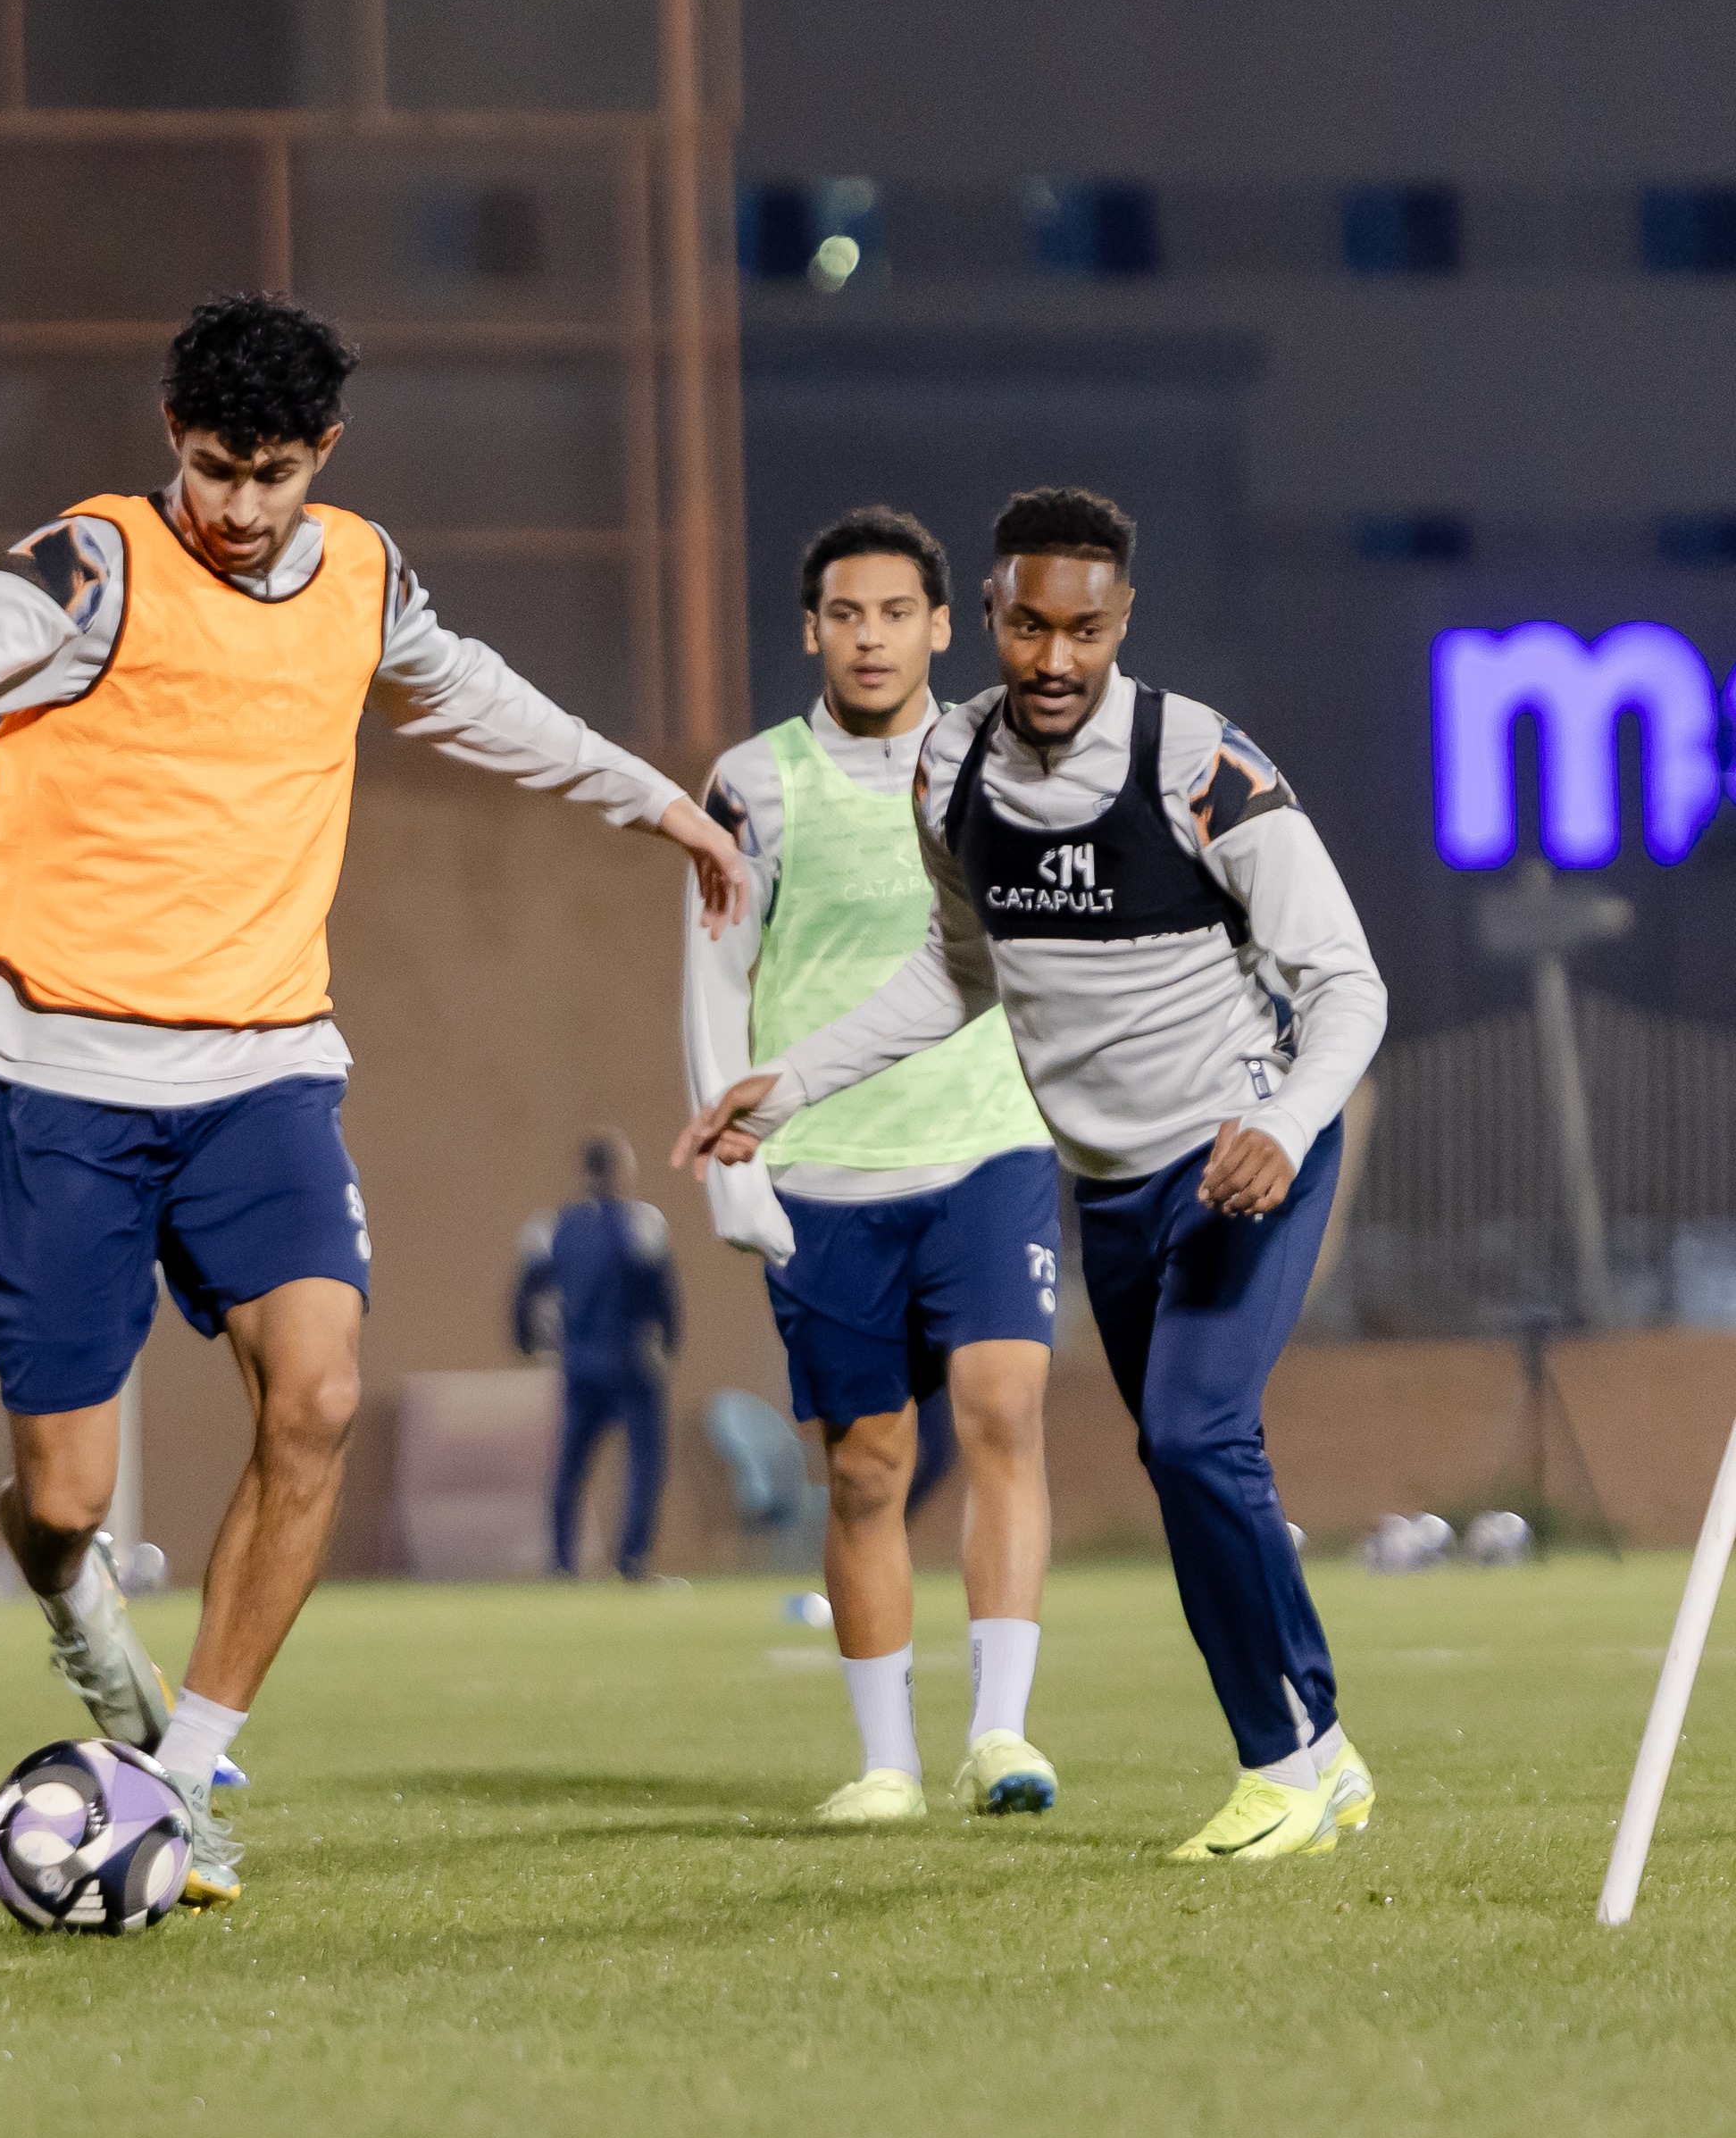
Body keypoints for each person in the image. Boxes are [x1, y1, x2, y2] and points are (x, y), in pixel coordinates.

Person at [0, 293, 750, 1904]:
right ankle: (84, 1630)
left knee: (311, 1398)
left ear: (324, 454)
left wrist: (660, 803)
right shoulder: (88, 569)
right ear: (168, 433)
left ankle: (173, 1779)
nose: (236, 509)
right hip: (59, 1077)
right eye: (210, 467)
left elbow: (480, 699)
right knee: (60, 1503)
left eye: (270, 475)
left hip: (263, 1067)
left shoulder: (362, 580)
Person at [679, 488, 1388, 1863]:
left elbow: (1346, 984)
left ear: (1124, 623)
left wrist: (1289, 1124)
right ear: (993, 622)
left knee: (1195, 1438)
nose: (1055, 659)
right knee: (1194, 1459)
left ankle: (1285, 1767)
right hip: (1112, 1188)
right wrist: (790, 1084)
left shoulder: (1203, 767)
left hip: (1241, 1159)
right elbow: (958, 972)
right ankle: (1327, 1750)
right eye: (1030, 627)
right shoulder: (953, 768)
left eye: (1085, 629)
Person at [681, 505, 1064, 1827]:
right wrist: (735, 1160)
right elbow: (715, 976)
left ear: (942, 629)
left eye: (897, 613)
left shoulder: (1001, 766)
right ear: (811, 631)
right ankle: (885, 1760)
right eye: (846, 614)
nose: (871, 637)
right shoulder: (754, 782)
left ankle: (1001, 1735)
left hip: (987, 1137)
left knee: (1009, 1408)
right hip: (826, 1169)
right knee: (866, 1466)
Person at [511, 1134, 680, 1581]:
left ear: (585, 1175)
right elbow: (664, 1297)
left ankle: (562, 1564)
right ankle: (632, 1561)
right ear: (620, 1172)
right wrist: (668, 1343)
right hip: (632, 1366)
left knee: (570, 1466)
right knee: (644, 1463)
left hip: (580, 1363)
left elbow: (526, 1295)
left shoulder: (554, 1228)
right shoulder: (642, 1225)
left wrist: (528, 1341)